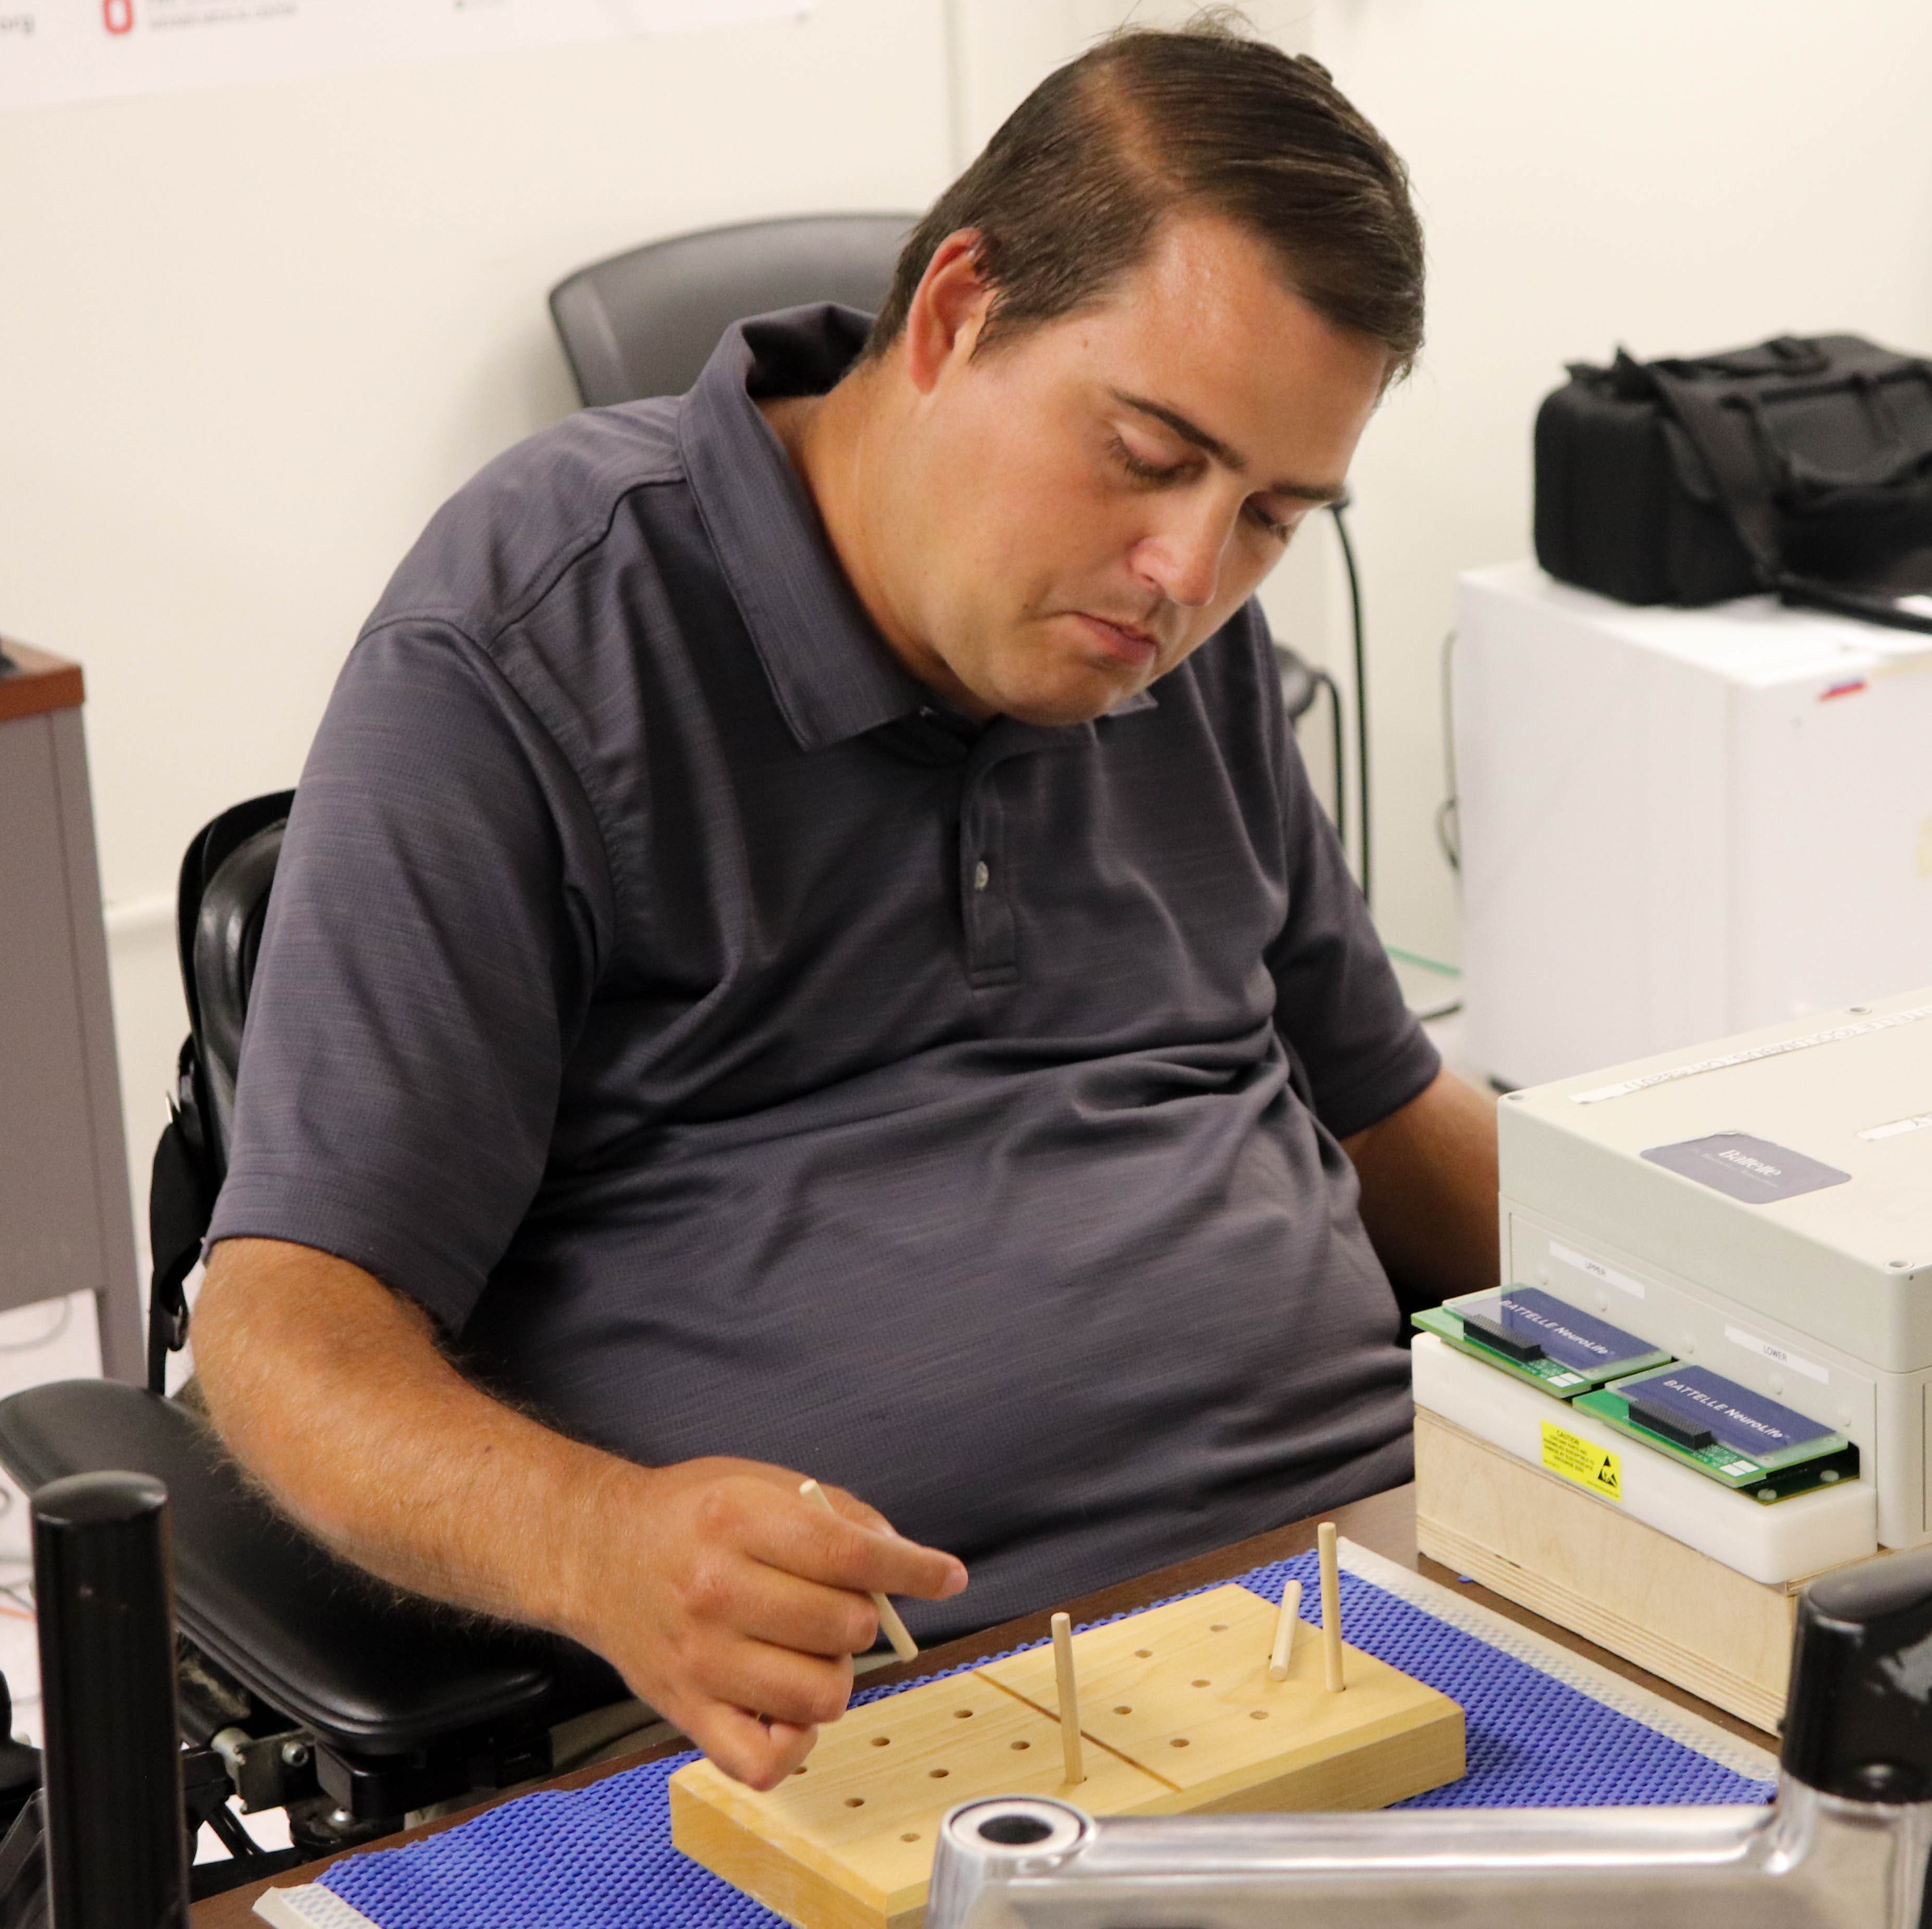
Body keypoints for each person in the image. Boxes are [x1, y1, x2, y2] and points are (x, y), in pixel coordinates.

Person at [191, 18, 1495, 1793]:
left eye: (1271, 514)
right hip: (879, 1713)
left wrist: (1747, 1326)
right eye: (1146, 453)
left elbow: (1391, 1113)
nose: (1189, 575)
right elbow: (284, 1329)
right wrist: (601, 1546)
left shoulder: (1173, 641)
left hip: (1376, 1594)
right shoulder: (531, 637)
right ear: (956, 314)